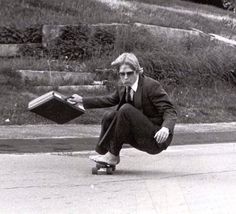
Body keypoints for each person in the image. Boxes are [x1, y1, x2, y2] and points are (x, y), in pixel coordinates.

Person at [68, 53, 177, 165]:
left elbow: (170, 110)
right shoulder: (123, 86)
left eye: (129, 73)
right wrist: (82, 100)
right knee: (109, 116)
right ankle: (104, 154)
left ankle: (112, 156)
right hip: (137, 135)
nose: (125, 77)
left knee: (125, 109)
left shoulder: (150, 86)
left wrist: (165, 129)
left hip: (155, 138)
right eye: (122, 74)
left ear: (137, 71)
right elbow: (108, 99)